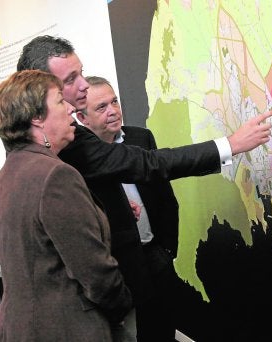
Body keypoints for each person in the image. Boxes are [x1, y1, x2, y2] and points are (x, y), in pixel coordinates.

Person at [17, 35, 272, 341]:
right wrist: (230, 145)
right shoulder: (58, 148)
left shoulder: (35, 152)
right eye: (71, 79)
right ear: (41, 93)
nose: (84, 85)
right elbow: (149, 165)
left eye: (81, 73)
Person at [0, 70, 132, 341]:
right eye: (59, 101)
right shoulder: (55, 175)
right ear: (37, 118)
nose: (70, 108)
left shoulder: (11, 170)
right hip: (65, 328)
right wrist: (123, 305)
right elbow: (96, 274)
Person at [78, 75, 193, 339]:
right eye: (102, 107)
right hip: (117, 265)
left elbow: (165, 198)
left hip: (155, 254)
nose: (113, 111)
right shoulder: (78, 159)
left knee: (162, 328)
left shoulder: (140, 138)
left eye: (114, 101)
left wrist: (167, 249)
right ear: (82, 119)